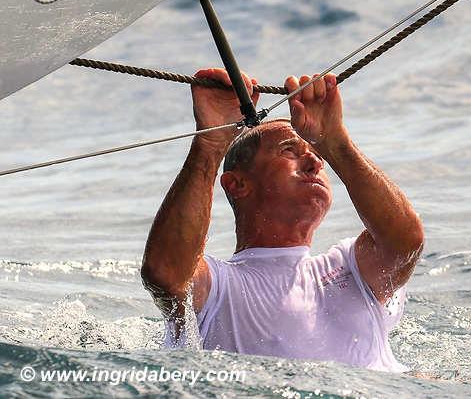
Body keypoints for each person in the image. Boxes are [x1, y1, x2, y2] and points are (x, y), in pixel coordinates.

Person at [140, 68, 424, 372]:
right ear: (237, 185)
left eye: (318, 154)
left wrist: (336, 143)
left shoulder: (350, 268)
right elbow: (165, 273)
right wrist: (209, 146)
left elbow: (405, 242)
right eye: (289, 150)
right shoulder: (219, 286)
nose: (315, 161)